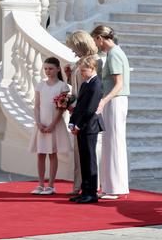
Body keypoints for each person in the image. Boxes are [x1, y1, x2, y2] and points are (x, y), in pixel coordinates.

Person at [91, 25, 130, 199]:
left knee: (113, 143)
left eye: (95, 40)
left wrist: (104, 101)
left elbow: (118, 83)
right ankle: (112, 186)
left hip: (115, 100)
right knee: (111, 142)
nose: (96, 45)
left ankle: (115, 188)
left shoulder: (114, 54)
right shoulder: (115, 53)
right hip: (115, 100)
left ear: (100, 38)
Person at [64, 31, 103, 198]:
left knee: (88, 156)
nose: (72, 51)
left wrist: (79, 120)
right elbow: (77, 88)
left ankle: (89, 189)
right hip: (78, 113)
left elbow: (91, 98)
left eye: (74, 47)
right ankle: (82, 187)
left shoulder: (95, 62)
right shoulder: (79, 63)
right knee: (80, 154)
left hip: (87, 118)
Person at [28, 57, 72, 195]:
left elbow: (61, 108)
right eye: (45, 68)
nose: (48, 71)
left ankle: (51, 185)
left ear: (58, 69)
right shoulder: (40, 85)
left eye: (51, 68)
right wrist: (38, 122)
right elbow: (37, 106)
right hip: (41, 124)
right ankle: (41, 184)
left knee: (53, 154)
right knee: (40, 154)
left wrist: (53, 124)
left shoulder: (62, 86)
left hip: (55, 124)